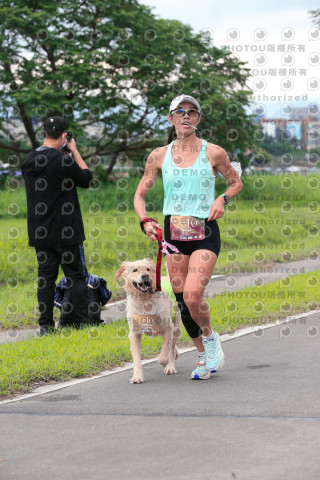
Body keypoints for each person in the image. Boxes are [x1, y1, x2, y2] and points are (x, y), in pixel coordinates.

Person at [134, 94, 243, 379]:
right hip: (173, 233)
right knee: (182, 298)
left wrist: (222, 199)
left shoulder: (214, 153)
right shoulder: (159, 156)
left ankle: (209, 338)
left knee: (194, 295)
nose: (186, 116)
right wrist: (145, 219)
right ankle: (203, 356)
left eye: (192, 112)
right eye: (180, 112)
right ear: (171, 119)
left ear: (198, 119)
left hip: (205, 231)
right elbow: (140, 195)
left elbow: (235, 182)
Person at [22, 116, 92, 335]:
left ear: (43, 133)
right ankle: (76, 322)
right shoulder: (63, 160)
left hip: (40, 231)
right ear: (64, 136)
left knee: (46, 278)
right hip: (66, 231)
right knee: (76, 276)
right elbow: (86, 178)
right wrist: (74, 151)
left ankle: (45, 326)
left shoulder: (29, 160)